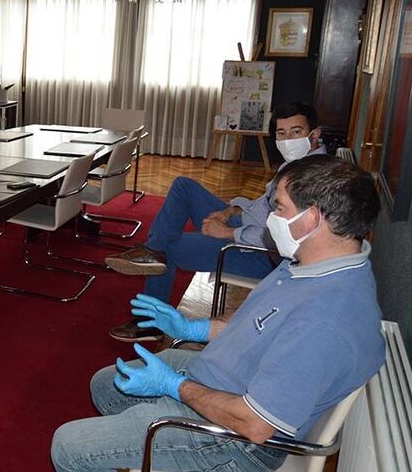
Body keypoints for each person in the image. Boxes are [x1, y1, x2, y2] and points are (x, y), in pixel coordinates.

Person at [51, 155, 385, 472]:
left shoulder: (327, 319)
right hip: (228, 378)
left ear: (311, 218)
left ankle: (147, 440)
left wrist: (175, 387)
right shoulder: (308, 262)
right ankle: (140, 443)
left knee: (67, 446)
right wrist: (191, 328)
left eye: (279, 208)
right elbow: (260, 322)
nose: (271, 217)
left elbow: (255, 425)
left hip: (237, 440)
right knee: (107, 385)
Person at [105, 103, 326, 343]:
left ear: (315, 134)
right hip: (247, 226)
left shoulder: (312, 179)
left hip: (262, 253)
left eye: (296, 132)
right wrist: (229, 210)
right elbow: (262, 205)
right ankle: (152, 250)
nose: (287, 140)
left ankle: (150, 322)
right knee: (184, 187)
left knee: (169, 248)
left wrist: (229, 232)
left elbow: (286, 237)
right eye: (282, 133)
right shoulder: (297, 163)